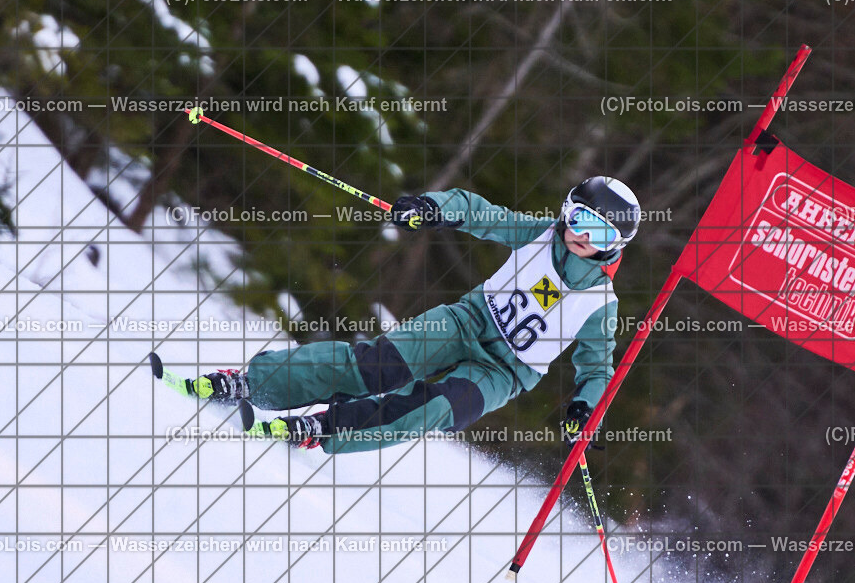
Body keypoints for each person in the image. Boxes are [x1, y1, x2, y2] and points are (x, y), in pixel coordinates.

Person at [194, 177, 640, 454]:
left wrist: (586, 410)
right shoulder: (538, 235)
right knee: (376, 366)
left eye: (599, 231)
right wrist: (434, 209)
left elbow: (597, 367)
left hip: (504, 372)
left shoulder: (601, 304)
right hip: (467, 320)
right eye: (579, 218)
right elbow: (479, 213)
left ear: (614, 245)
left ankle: (325, 427)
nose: (581, 235)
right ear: (566, 211)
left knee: (430, 409)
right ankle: (259, 382)